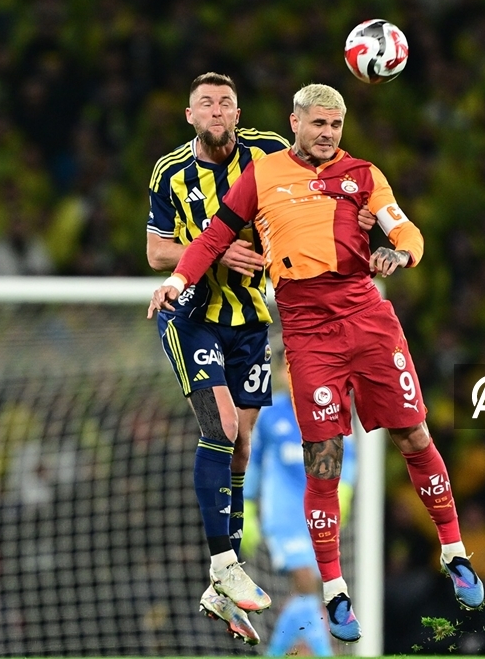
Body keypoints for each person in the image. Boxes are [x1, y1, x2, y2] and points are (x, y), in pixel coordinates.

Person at [148, 83, 485, 644]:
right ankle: (334, 591)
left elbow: (406, 228)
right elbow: (211, 239)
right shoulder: (263, 175)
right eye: (318, 123)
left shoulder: (364, 175)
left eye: (335, 125)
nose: (327, 134)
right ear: (295, 123)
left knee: (414, 434)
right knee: (322, 459)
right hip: (306, 331)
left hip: (368, 317)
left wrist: (399, 251)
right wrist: (178, 280)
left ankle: (454, 551)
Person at [145, 73, 375, 645]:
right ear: (190, 115)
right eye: (205, 103)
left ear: (238, 113)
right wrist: (216, 252)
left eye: (225, 102)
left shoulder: (268, 152)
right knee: (222, 427)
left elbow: (321, 185)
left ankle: (224, 584)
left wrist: (360, 217)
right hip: (193, 315)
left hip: (249, 318)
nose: (216, 110)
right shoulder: (170, 172)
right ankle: (223, 563)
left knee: (243, 445)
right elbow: (156, 251)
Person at [242, 352, 357, 656]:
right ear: (280, 373)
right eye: (289, 369)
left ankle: (283, 652)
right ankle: (324, 653)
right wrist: (247, 507)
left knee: (307, 594)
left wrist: (344, 492)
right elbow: (252, 463)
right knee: (306, 581)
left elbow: (349, 458)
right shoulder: (269, 415)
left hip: (318, 517)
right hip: (283, 517)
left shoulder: (329, 412)